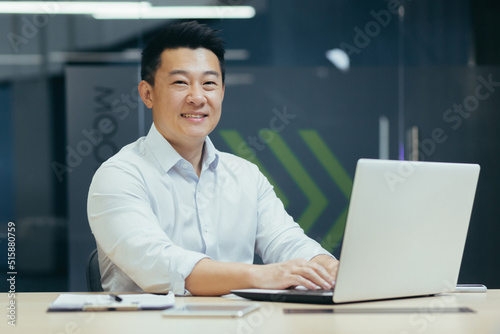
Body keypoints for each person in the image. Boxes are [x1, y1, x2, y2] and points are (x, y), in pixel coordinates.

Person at [87, 21, 339, 296]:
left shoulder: (246, 176)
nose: (197, 97)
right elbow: (160, 265)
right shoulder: (119, 176)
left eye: (209, 83)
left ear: (221, 92)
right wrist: (264, 275)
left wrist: (326, 266)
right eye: (180, 83)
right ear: (147, 94)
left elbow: (286, 241)